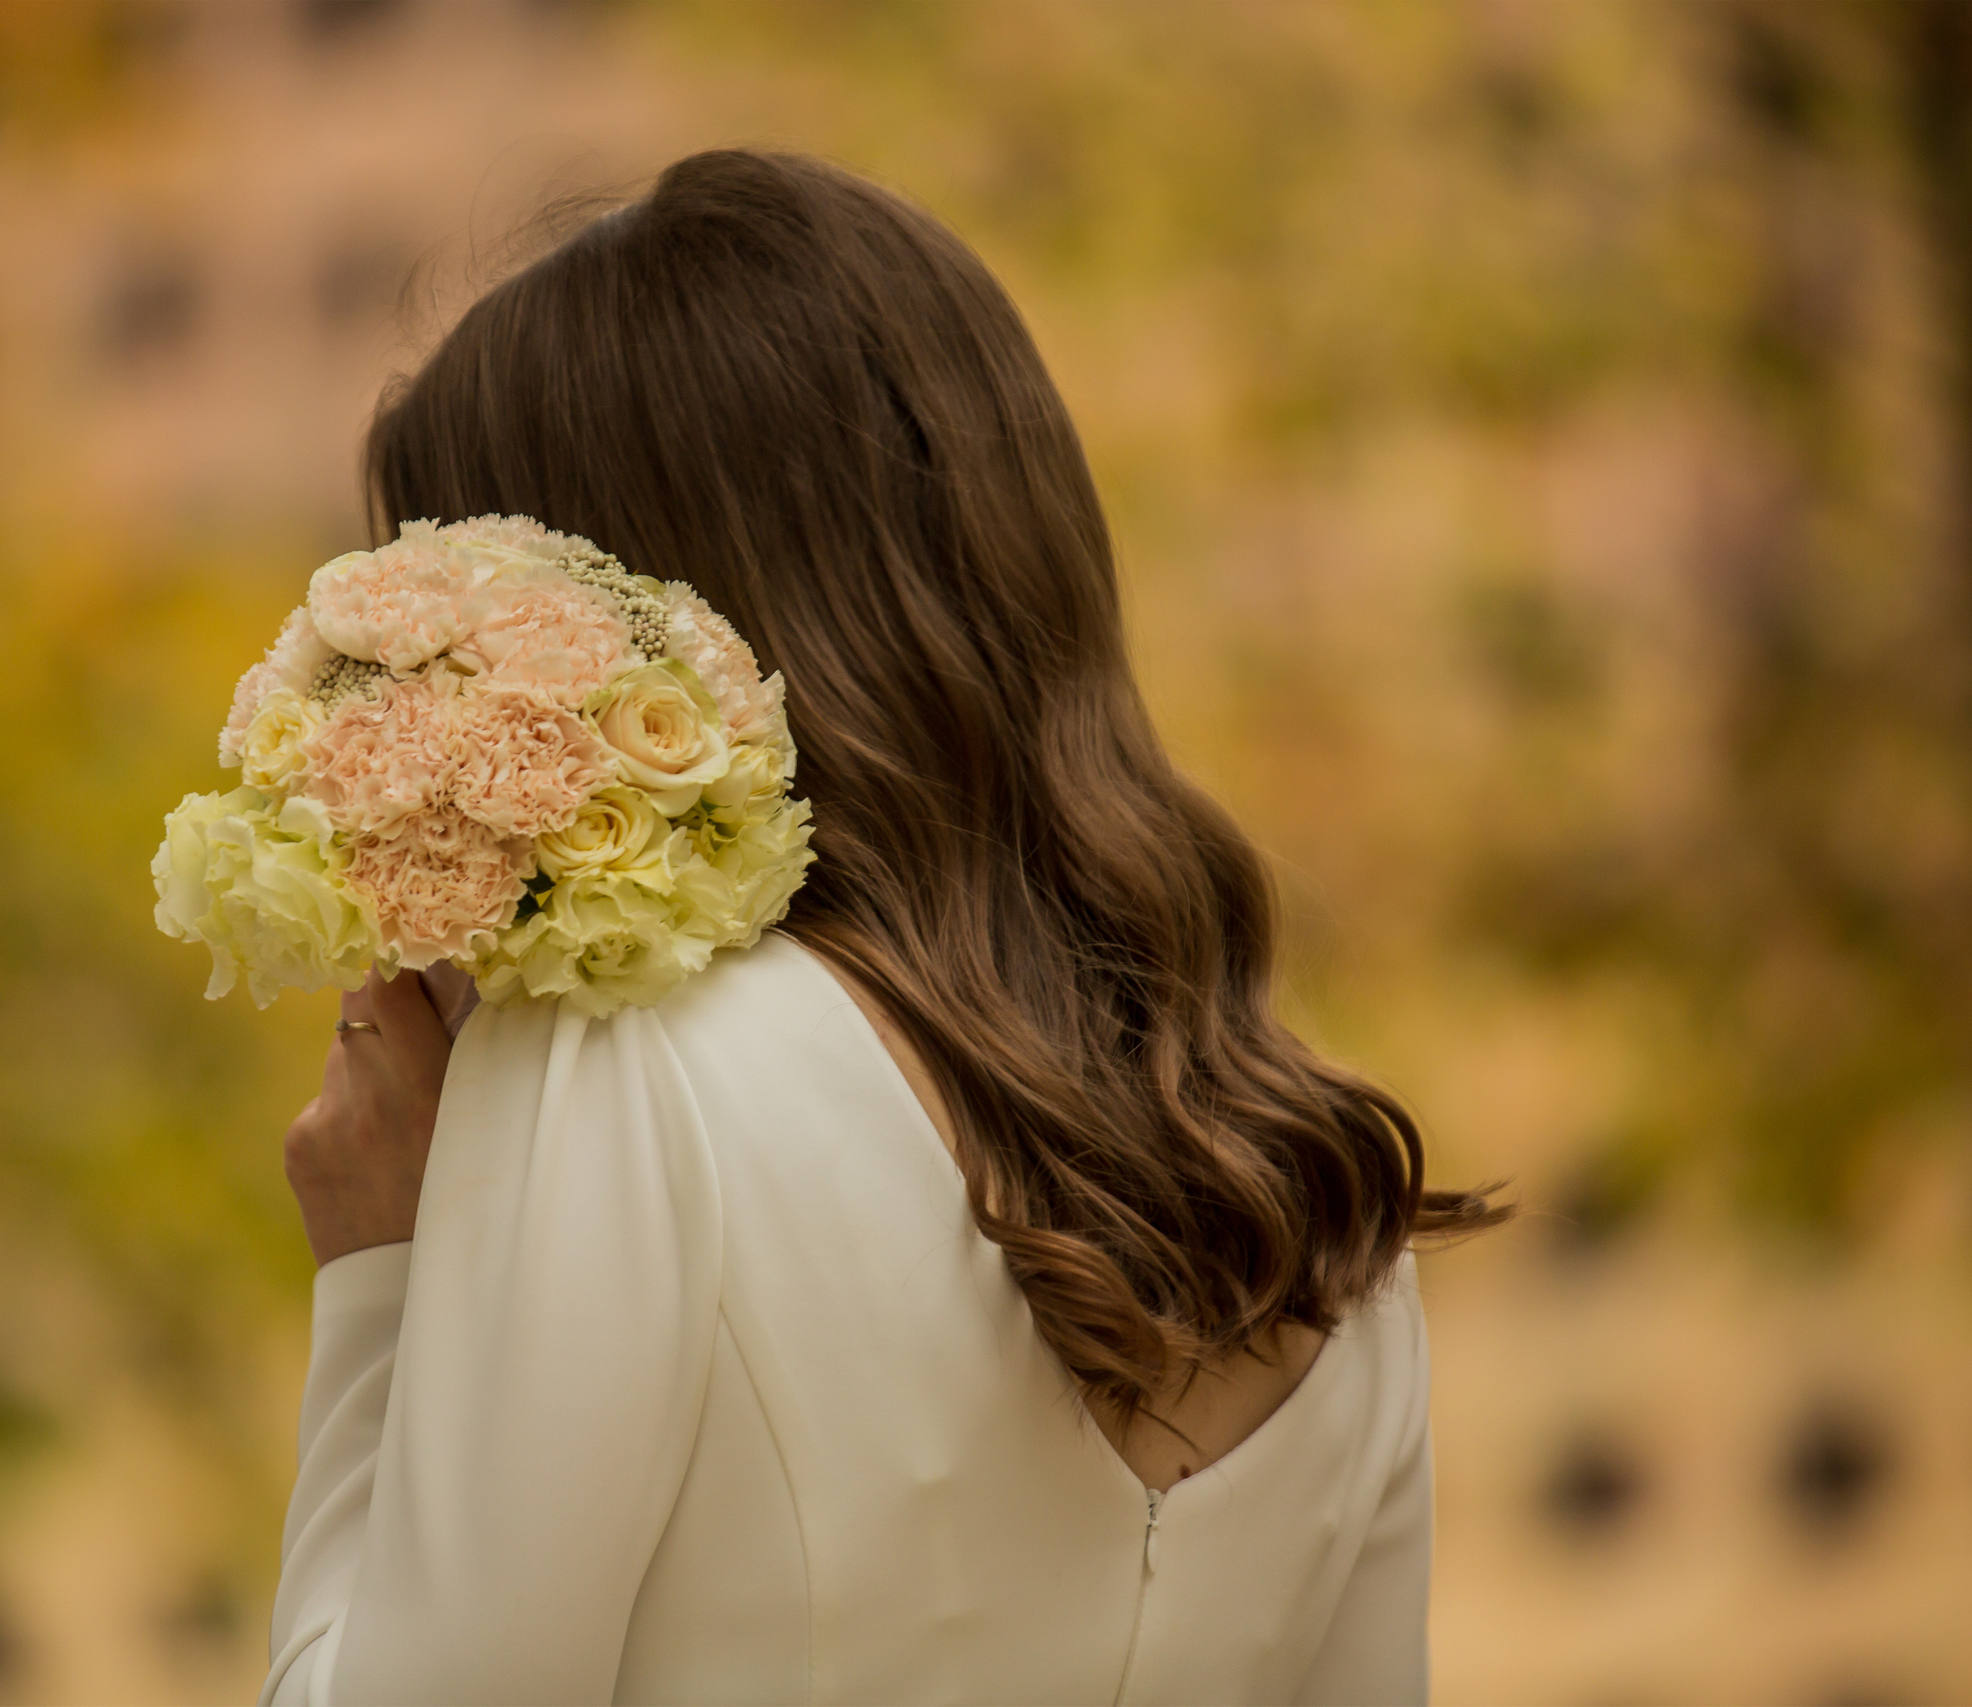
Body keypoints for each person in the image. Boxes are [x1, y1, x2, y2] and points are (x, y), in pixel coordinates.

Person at [261, 149, 1505, 1706]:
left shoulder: (634, 1070)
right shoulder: (1316, 1196)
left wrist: (383, 1282)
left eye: (452, 645)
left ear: (615, 639)